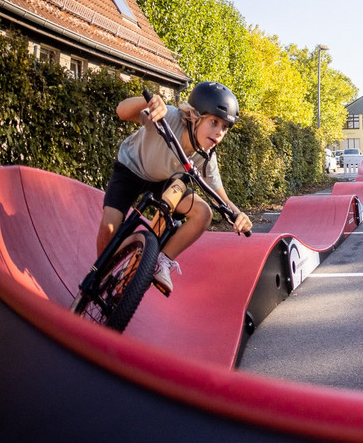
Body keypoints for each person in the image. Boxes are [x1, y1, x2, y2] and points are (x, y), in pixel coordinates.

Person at [96, 82, 253, 295]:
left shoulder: (206, 156)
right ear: (193, 116)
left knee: (203, 213)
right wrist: (149, 101)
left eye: (224, 127)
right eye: (214, 122)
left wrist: (237, 214)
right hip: (131, 167)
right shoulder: (168, 116)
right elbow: (121, 111)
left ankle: (161, 261)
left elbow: (218, 195)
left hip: (164, 181)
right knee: (109, 229)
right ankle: (99, 278)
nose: (219, 133)